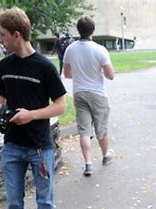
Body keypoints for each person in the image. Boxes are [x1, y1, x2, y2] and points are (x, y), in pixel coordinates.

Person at [0, 7, 67, 209]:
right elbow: (1, 97)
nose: (0, 40)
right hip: (12, 144)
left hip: (39, 145)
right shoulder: (4, 65)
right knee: (14, 198)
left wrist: (31, 115)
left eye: (3, 35)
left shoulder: (44, 67)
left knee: (44, 197)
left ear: (16, 34)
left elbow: (61, 105)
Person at [63, 16, 115, 176]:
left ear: (78, 30)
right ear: (93, 30)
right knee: (101, 127)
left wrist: (80, 73)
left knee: (84, 130)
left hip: (79, 93)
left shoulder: (70, 49)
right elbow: (110, 75)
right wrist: (98, 71)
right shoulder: (100, 50)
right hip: (97, 93)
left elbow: (67, 74)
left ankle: (88, 163)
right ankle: (106, 155)